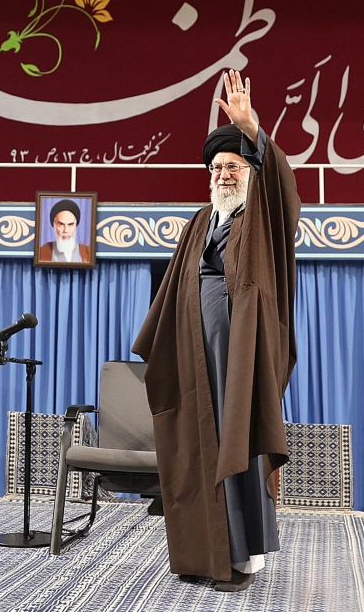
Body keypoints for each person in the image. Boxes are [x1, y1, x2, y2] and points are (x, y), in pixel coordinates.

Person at [132, 70, 300, 592]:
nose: (224, 174)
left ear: (249, 169)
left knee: (238, 444)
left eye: (234, 165)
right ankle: (204, 556)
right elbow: (177, 289)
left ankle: (243, 556)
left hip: (242, 356)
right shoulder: (200, 220)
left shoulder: (263, 216)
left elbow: (280, 188)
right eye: (217, 167)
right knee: (197, 448)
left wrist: (252, 129)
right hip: (196, 354)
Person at [39, 198, 90, 263]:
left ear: (76, 225)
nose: (66, 230)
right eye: (61, 224)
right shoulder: (42, 252)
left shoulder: (88, 252)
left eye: (70, 224)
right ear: (54, 225)